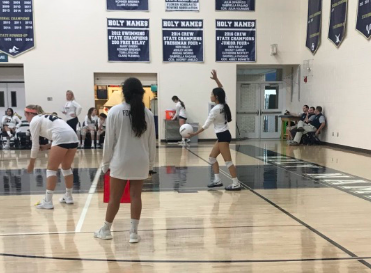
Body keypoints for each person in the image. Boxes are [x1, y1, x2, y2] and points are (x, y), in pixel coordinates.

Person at [94, 78, 156, 243]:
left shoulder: (114, 112)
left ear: (124, 92)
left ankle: (106, 230)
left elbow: (109, 142)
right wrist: (151, 165)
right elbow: (152, 142)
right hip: (141, 161)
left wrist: (105, 164)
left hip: (120, 161)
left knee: (115, 197)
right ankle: (133, 233)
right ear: (141, 93)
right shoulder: (148, 113)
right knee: (136, 196)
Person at [189, 70, 241, 191]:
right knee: (212, 157)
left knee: (228, 161)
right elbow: (221, 88)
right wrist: (216, 79)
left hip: (223, 136)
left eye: (211, 94)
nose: (210, 96)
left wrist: (194, 134)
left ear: (216, 97)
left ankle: (236, 183)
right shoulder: (223, 104)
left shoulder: (215, 109)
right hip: (223, 135)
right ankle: (217, 180)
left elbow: (206, 125)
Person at [25, 105, 79, 209]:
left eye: (26, 115)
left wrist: (31, 163)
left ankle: (48, 201)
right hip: (74, 137)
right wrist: (47, 146)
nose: (25, 117)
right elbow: (63, 134)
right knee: (66, 168)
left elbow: (35, 145)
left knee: (51, 169)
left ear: (31, 114)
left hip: (61, 138)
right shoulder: (46, 117)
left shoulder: (34, 120)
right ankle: (68, 196)